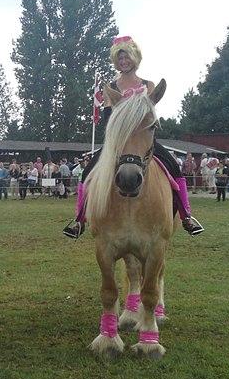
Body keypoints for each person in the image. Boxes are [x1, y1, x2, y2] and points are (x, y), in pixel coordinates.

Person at [62, 36, 204, 239]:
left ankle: (186, 215)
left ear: (134, 57)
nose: (123, 62)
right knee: (88, 172)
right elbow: (109, 117)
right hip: (118, 141)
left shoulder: (148, 84)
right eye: (119, 59)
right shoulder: (111, 86)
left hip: (144, 139)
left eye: (126, 57)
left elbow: (150, 115)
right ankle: (79, 219)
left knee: (175, 169)